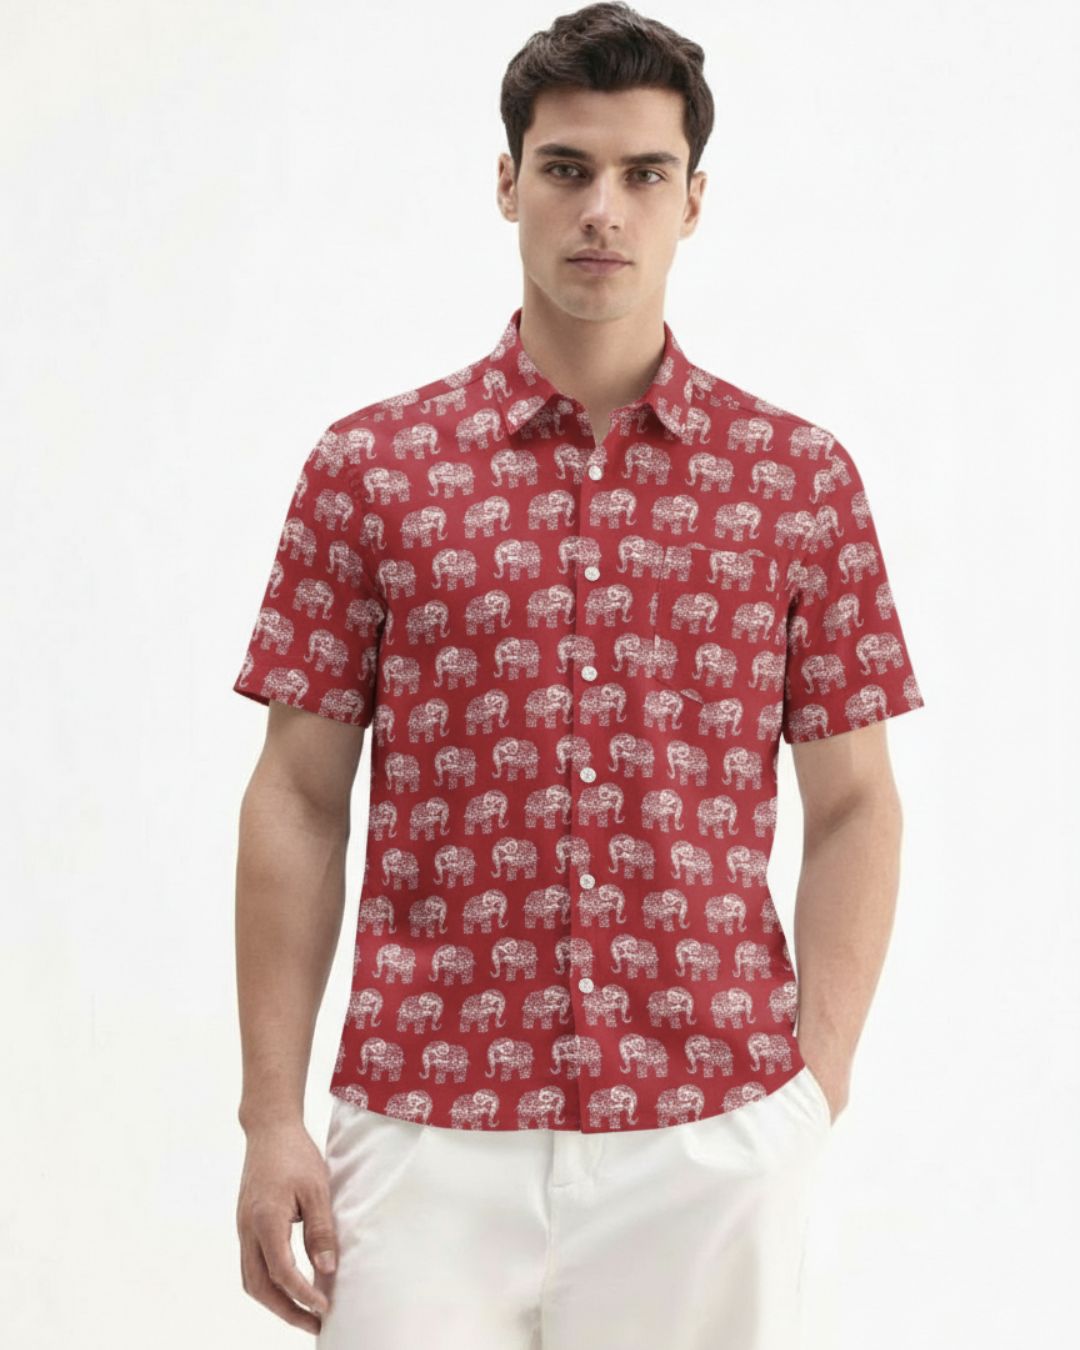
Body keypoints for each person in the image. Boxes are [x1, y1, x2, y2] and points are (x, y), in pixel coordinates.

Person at [232, 4, 926, 1346]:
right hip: (422, 1129)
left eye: (643, 173)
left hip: (709, 1137)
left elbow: (856, 805)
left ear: (693, 200)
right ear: (509, 184)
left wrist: (810, 1093)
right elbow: (299, 798)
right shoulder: (371, 471)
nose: (603, 208)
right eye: (566, 168)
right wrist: (271, 1116)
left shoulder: (798, 482)